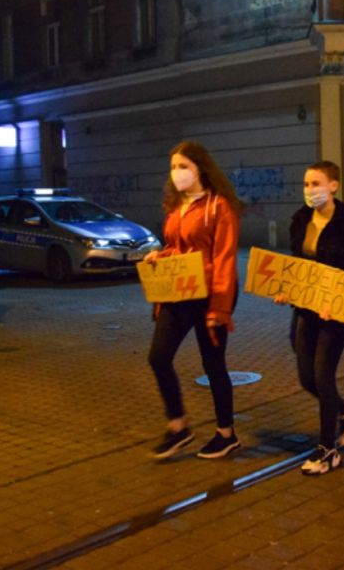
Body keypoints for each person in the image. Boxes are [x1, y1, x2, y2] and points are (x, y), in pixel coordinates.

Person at [143, 141, 242, 460]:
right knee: (158, 356)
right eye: (173, 167)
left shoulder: (219, 206)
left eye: (182, 166)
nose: (177, 173)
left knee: (213, 363)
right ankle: (179, 426)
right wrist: (162, 255)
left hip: (211, 293)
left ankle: (226, 433)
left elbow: (225, 259)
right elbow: (178, 246)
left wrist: (220, 308)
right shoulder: (176, 206)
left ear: (199, 168)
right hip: (180, 291)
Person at [275, 161, 344, 476]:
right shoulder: (300, 221)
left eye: (316, 184)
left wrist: (340, 301)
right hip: (306, 308)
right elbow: (297, 264)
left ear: (333, 186)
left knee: (322, 375)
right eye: (306, 184)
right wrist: (285, 288)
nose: (309, 190)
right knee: (307, 377)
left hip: (336, 313)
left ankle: (327, 450)